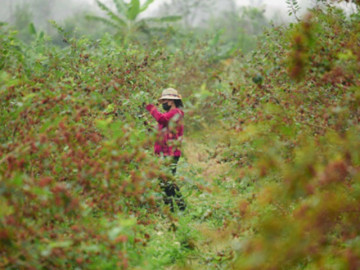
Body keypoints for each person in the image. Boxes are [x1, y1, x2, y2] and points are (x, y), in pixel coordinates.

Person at [146, 88, 186, 211]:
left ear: (172, 101)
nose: (163, 103)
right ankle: (177, 207)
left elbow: (161, 119)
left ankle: (175, 208)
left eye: (165, 100)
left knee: (166, 182)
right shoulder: (170, 114)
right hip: (165, 153)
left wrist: (150, 108)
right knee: (166, 182)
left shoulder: (176, 112)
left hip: (171, 153)